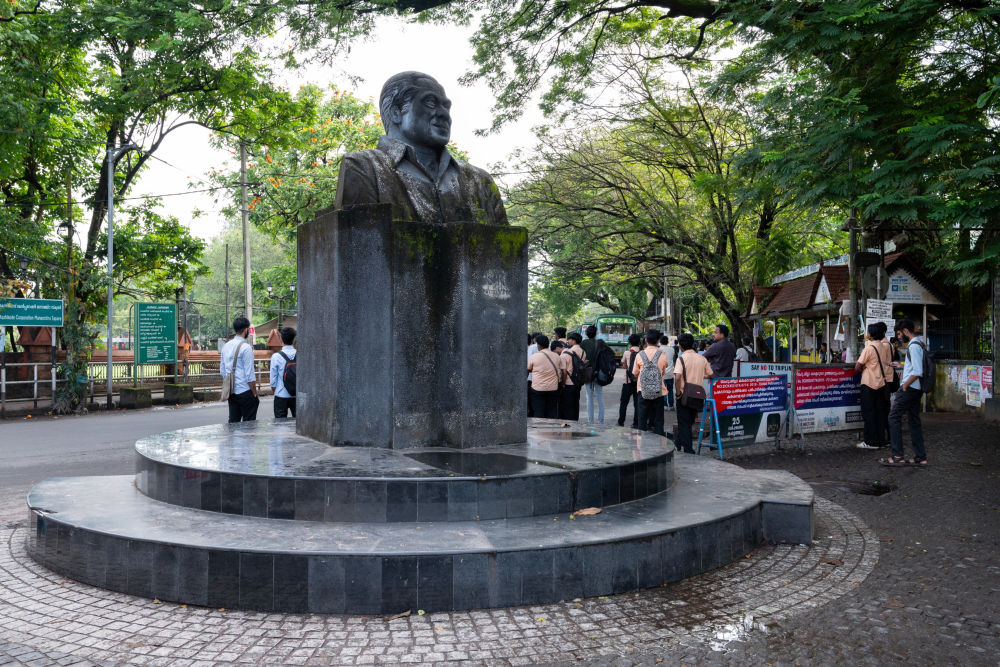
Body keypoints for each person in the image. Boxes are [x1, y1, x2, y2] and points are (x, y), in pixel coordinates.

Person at [880, 319, 927, 467]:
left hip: (910, 388)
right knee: (914, 421)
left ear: (906, 331)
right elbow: (915, 366)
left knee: (893, 417)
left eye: (900, 334)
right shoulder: (919, 343)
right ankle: (920, 457)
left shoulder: (913, 346)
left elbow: (918, 371)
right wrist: (901, 365)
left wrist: (905, 385)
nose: (899, 337)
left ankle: (897, 455)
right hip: (915, 388)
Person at [673, 332, 713, 454]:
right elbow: (711, 374)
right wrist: (702, 376)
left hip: (684, 394)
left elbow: (678, 377)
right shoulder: (702, 359)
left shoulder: (681, 359)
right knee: (689, 420)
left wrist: (678, 393)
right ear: (693, 344)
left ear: (680, 346)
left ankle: (689, 450)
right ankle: (678, 443)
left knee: (684, 422)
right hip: (697, 395)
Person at [855, 323, 892, 450]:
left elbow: (857, 367)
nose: (867, 334)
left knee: (868, 413)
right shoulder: (883, 346)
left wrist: (864, 366)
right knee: (879, 413)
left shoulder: (869, 348)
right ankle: (881, 440)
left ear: (871, 334)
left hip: (869, 383)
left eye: (868, 332)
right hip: (881, 382)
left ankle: (871, 441)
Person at [220, 316, 259, 423]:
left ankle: (232, 440)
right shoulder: (246, 348)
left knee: (233, 422)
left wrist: (231, 384)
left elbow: (222, 371)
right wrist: (254, 393)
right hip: (245, 391)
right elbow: (250, 374)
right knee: (249, 424)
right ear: (246, 329)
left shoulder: (226, 346)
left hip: (232, 392)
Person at [633, 330, 668, 435]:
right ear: (658, 341)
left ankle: (641, 442)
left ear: (646, 340)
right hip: (659, 390)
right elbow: (662, 372)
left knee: (642, 418)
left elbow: (635, 373)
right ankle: (659, 444)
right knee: (658, 419)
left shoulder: (640, 355)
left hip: (642, 391)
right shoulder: (662, 354)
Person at [527, 334, 561, 418]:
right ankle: (549, 430)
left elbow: (528, 368)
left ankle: (540, 430)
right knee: (551, 412)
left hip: (538, 388)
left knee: (539, 412)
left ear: (538, 345)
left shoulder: (534, 357)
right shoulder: (557, 356)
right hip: (553, 388)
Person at [269, 327, 298, 418]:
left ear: (280, 339)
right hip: (296, 395)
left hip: (281, 395)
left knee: (280, 425)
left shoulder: (276, 356)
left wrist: (276, 391)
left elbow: (273, 379)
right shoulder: (300, 354)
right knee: (298, 423)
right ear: (293, 340)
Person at [579, 325, 605, 424]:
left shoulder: (583, 343)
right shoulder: (600, 343)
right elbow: (610, 353)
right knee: (599, 395)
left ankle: (590, 421)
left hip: (588, 372)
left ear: (586, 333)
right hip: (599, 372)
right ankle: (601, 420)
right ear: (596, 333)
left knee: (589, 396)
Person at [560, 332, 587, 420]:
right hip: (578, 382)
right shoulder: (583, 352)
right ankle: (575, 422)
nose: (568, 341)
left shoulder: (566, 351)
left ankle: (569, 426)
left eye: (570, 340)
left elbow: (564, 371)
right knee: (575, 404)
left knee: (568, 406)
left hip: (568, 382)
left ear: (574, 341)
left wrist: (563, 383)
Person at [618, 334, 642, 427]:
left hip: (627, 381)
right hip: (638, 382)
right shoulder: (642, 353)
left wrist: (626, 366)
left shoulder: (627, 353)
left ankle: (621, 422)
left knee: (624, 402)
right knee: (637, 403)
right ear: (639, 342)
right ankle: (636, 422)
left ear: (630, 343)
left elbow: (622, 363)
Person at [659, 335, 676, 411]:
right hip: (670, 373)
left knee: (663, 390)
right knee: (670, 390)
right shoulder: (672, 350)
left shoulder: (659, 350)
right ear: (668, 342)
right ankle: (671, 405)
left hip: (662, 373)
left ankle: (665, 405)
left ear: (660, 342)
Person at [527, 332, 541, 417]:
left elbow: (529, 363)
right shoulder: (548, 348)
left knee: (531, 399)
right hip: (542, 378)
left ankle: (531, 415)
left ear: (534, 339)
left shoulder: (532, 347)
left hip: (532, 377)